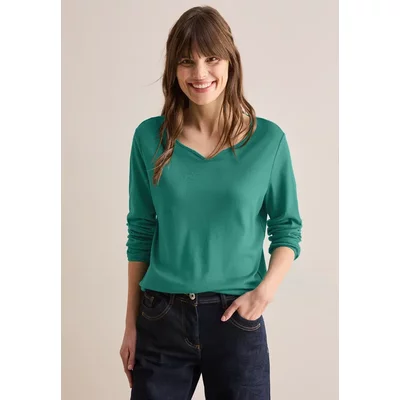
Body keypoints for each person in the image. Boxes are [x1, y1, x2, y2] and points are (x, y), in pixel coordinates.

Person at [119, 5, 302, 400]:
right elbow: (141, 232)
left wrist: (264, 292)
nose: (200, 73)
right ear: (174, 69)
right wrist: (131, 325)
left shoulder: (268, 141)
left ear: (230, 61)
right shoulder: (149, 138)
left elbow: (287, 228)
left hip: (236, 319)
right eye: (187, 61)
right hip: (161, 318)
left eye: (211, 58)